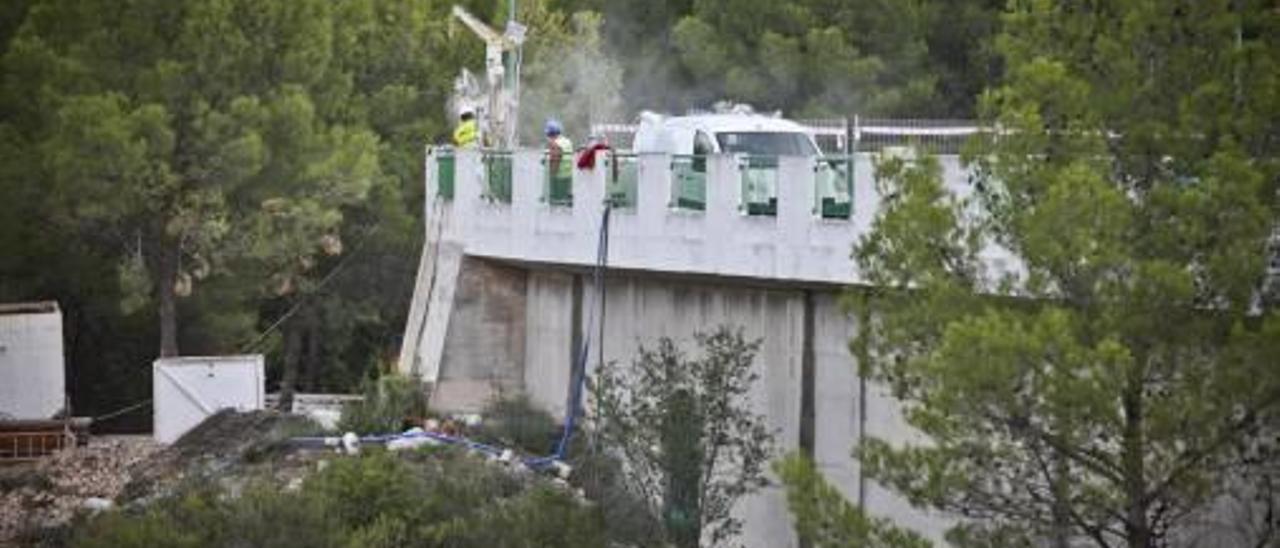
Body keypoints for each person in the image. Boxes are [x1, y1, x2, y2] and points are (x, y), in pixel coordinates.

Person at [545, 119, 573, 203]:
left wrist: (550, 176)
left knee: (556, 203)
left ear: (549, 134)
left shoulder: (555, 144)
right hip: (569, 177)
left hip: (558, 179)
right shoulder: (568, 141)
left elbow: (554, 163)